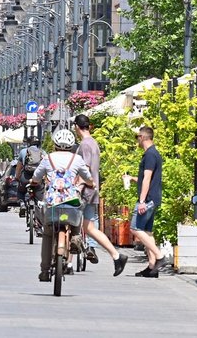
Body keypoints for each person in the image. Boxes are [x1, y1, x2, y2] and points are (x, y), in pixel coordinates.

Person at [32, 129, 90, 282]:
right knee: (77, 215)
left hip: (53, 201)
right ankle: (76, 237)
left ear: (55, 144)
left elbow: (36, 177)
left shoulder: (47, 158)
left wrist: (34, 183)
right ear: (71, 145)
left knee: (48, 233)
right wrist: (91, 183)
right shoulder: (76, 159)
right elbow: (88, 177)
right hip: (70, 200)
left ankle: (44, 270)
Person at [73, 114, 128, 277]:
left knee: (72, 222)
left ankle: (68, 261)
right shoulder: (94, 143)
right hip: (93, 190)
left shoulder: (84, 144)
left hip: (84, 191)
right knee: (88, 226)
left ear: (76, 127)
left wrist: (78, 185)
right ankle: (114, 255)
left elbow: (86, 169)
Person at [124, 126, 167, 278]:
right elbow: (146, 179)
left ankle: (160, 257)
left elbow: (147, 179)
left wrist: (142, 201)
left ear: (142, 137)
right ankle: (152, 266)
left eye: (137, 137)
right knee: (147, 232)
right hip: (153, 198)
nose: (136, 140)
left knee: (135, 228)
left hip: (147, 199)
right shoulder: (154, 154)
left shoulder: (149, 155)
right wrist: (132, 179)